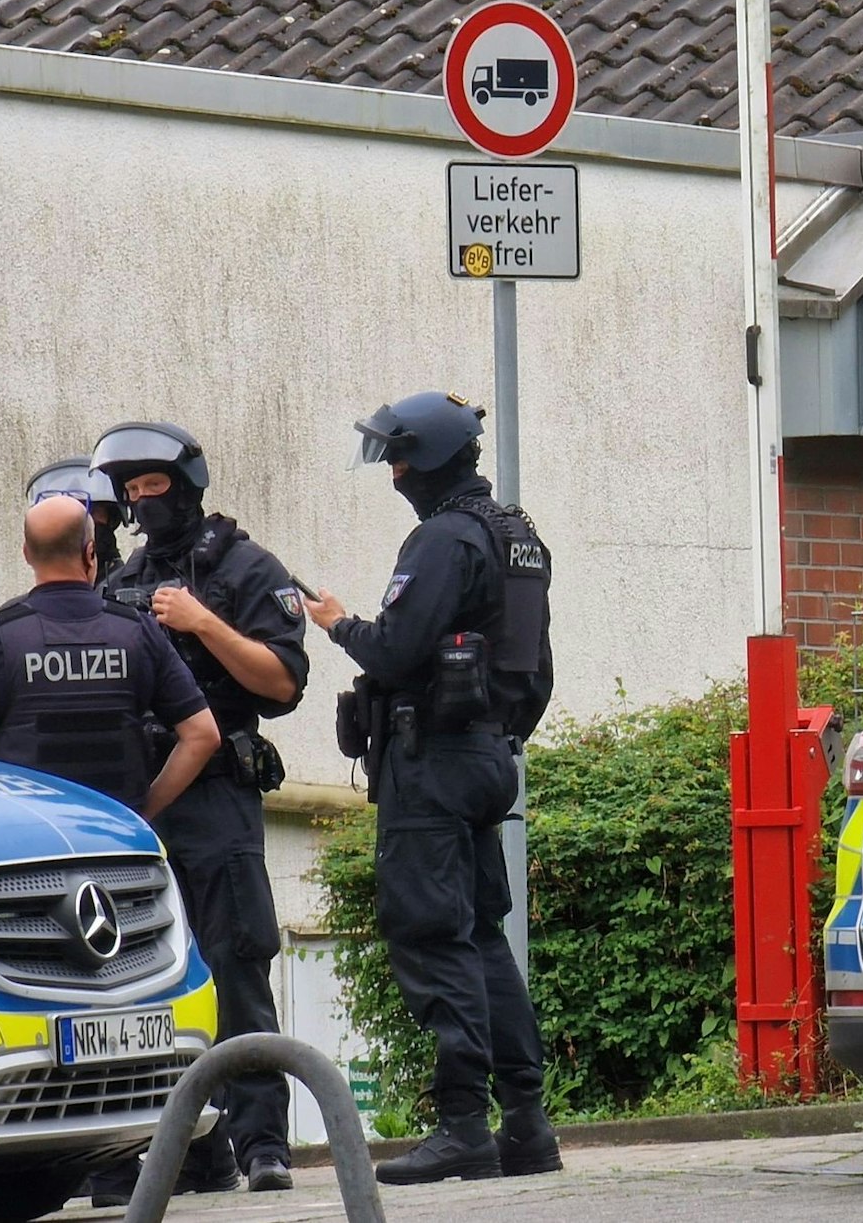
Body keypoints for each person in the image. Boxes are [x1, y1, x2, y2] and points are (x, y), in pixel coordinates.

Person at [303, 391, 558, 1186]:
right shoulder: (517, 536)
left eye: (401, 457)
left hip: (435, 764)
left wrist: (339, 623)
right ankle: (526, 1125)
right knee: (481, 936)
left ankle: (462, 1127)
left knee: (431, 934)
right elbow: (538, 670)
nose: (395, 472)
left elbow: (395, 647)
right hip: (489, 754)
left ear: (435, 458)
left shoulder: (443, 539)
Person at [90, 421, 308, 1198]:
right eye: (132, 491)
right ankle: (175, 1151)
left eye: (156, 486)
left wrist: (202, 622)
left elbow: (282, 682)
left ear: (188, 484)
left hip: (215, 795)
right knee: (140, 982)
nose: (145, 502)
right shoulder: (119, 583)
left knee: (236, 968)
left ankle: (261, 1145)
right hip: (142, 803)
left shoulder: (247, 567)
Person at [0, 494, 220, 817]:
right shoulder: (137, 630)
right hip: (118, 843)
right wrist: (141, 814)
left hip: (30, 844)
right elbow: (202, 734)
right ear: (90, 553)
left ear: (27, 554)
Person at [25, 456, 128, 580]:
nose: (77, 523)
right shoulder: (36, 597)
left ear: (112, 518)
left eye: (91, 512)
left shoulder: (131, 589)